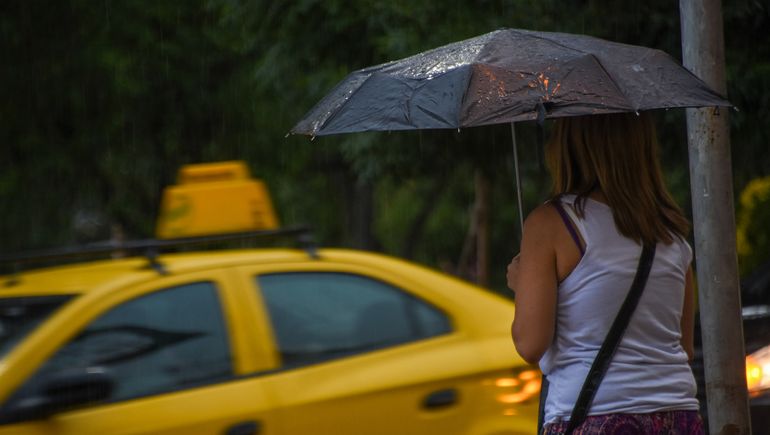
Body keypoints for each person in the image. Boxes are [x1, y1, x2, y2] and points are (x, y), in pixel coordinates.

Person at [507, 112, 704, 434]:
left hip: (597, 418)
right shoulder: (670, 233)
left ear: (570, 143)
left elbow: (529, 344)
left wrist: (522, 288)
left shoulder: (551, 223)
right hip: (678, 416)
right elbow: (684, 348)